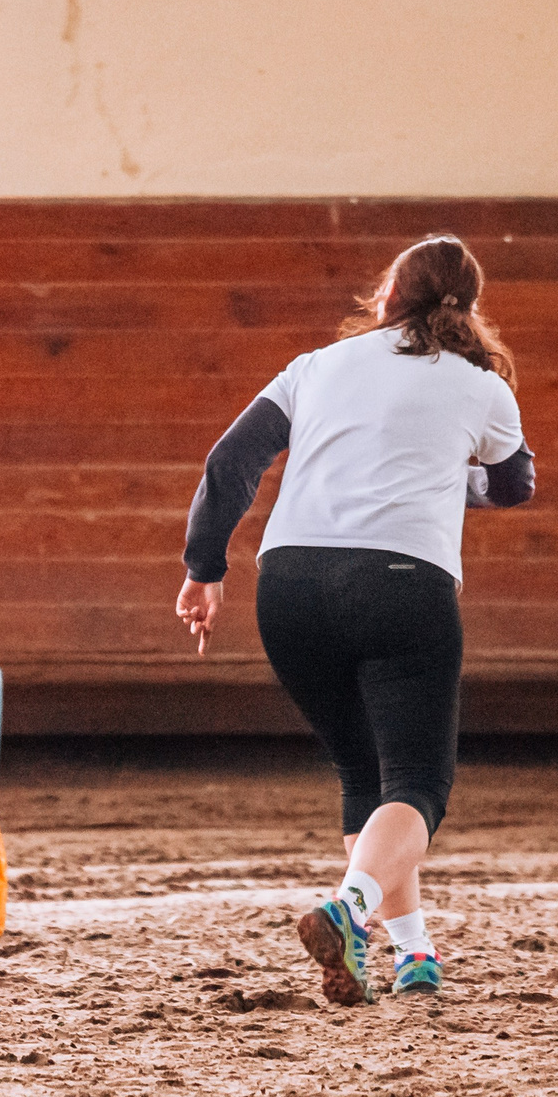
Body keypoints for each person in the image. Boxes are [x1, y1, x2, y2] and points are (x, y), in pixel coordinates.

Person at [175, 235, 535, 1005]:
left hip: (291, 587)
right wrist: (450, 480)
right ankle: (349, 909)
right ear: (466, 311)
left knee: (363, 776)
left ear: (386, 298)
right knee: (417, 785)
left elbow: (229, 463)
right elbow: (513, 487)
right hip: (403, 585)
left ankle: (415, 956)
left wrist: (205, 567)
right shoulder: (481, 386)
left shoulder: (315, 367)